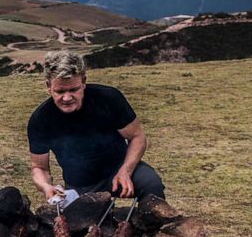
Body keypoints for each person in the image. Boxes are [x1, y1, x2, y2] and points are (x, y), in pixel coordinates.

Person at [27, 50, 165, 203]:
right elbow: (39, 168)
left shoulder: (108, 98)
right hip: (81, 183)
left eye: (74, 89)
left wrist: (126, 170)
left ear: (83, 81)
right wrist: (46, 186)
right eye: (59, 91)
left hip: (121, 167)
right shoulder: (41, 119)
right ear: (48, 86)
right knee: (82, 223)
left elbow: (137, 137)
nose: (67, 98)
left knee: (151, 183)